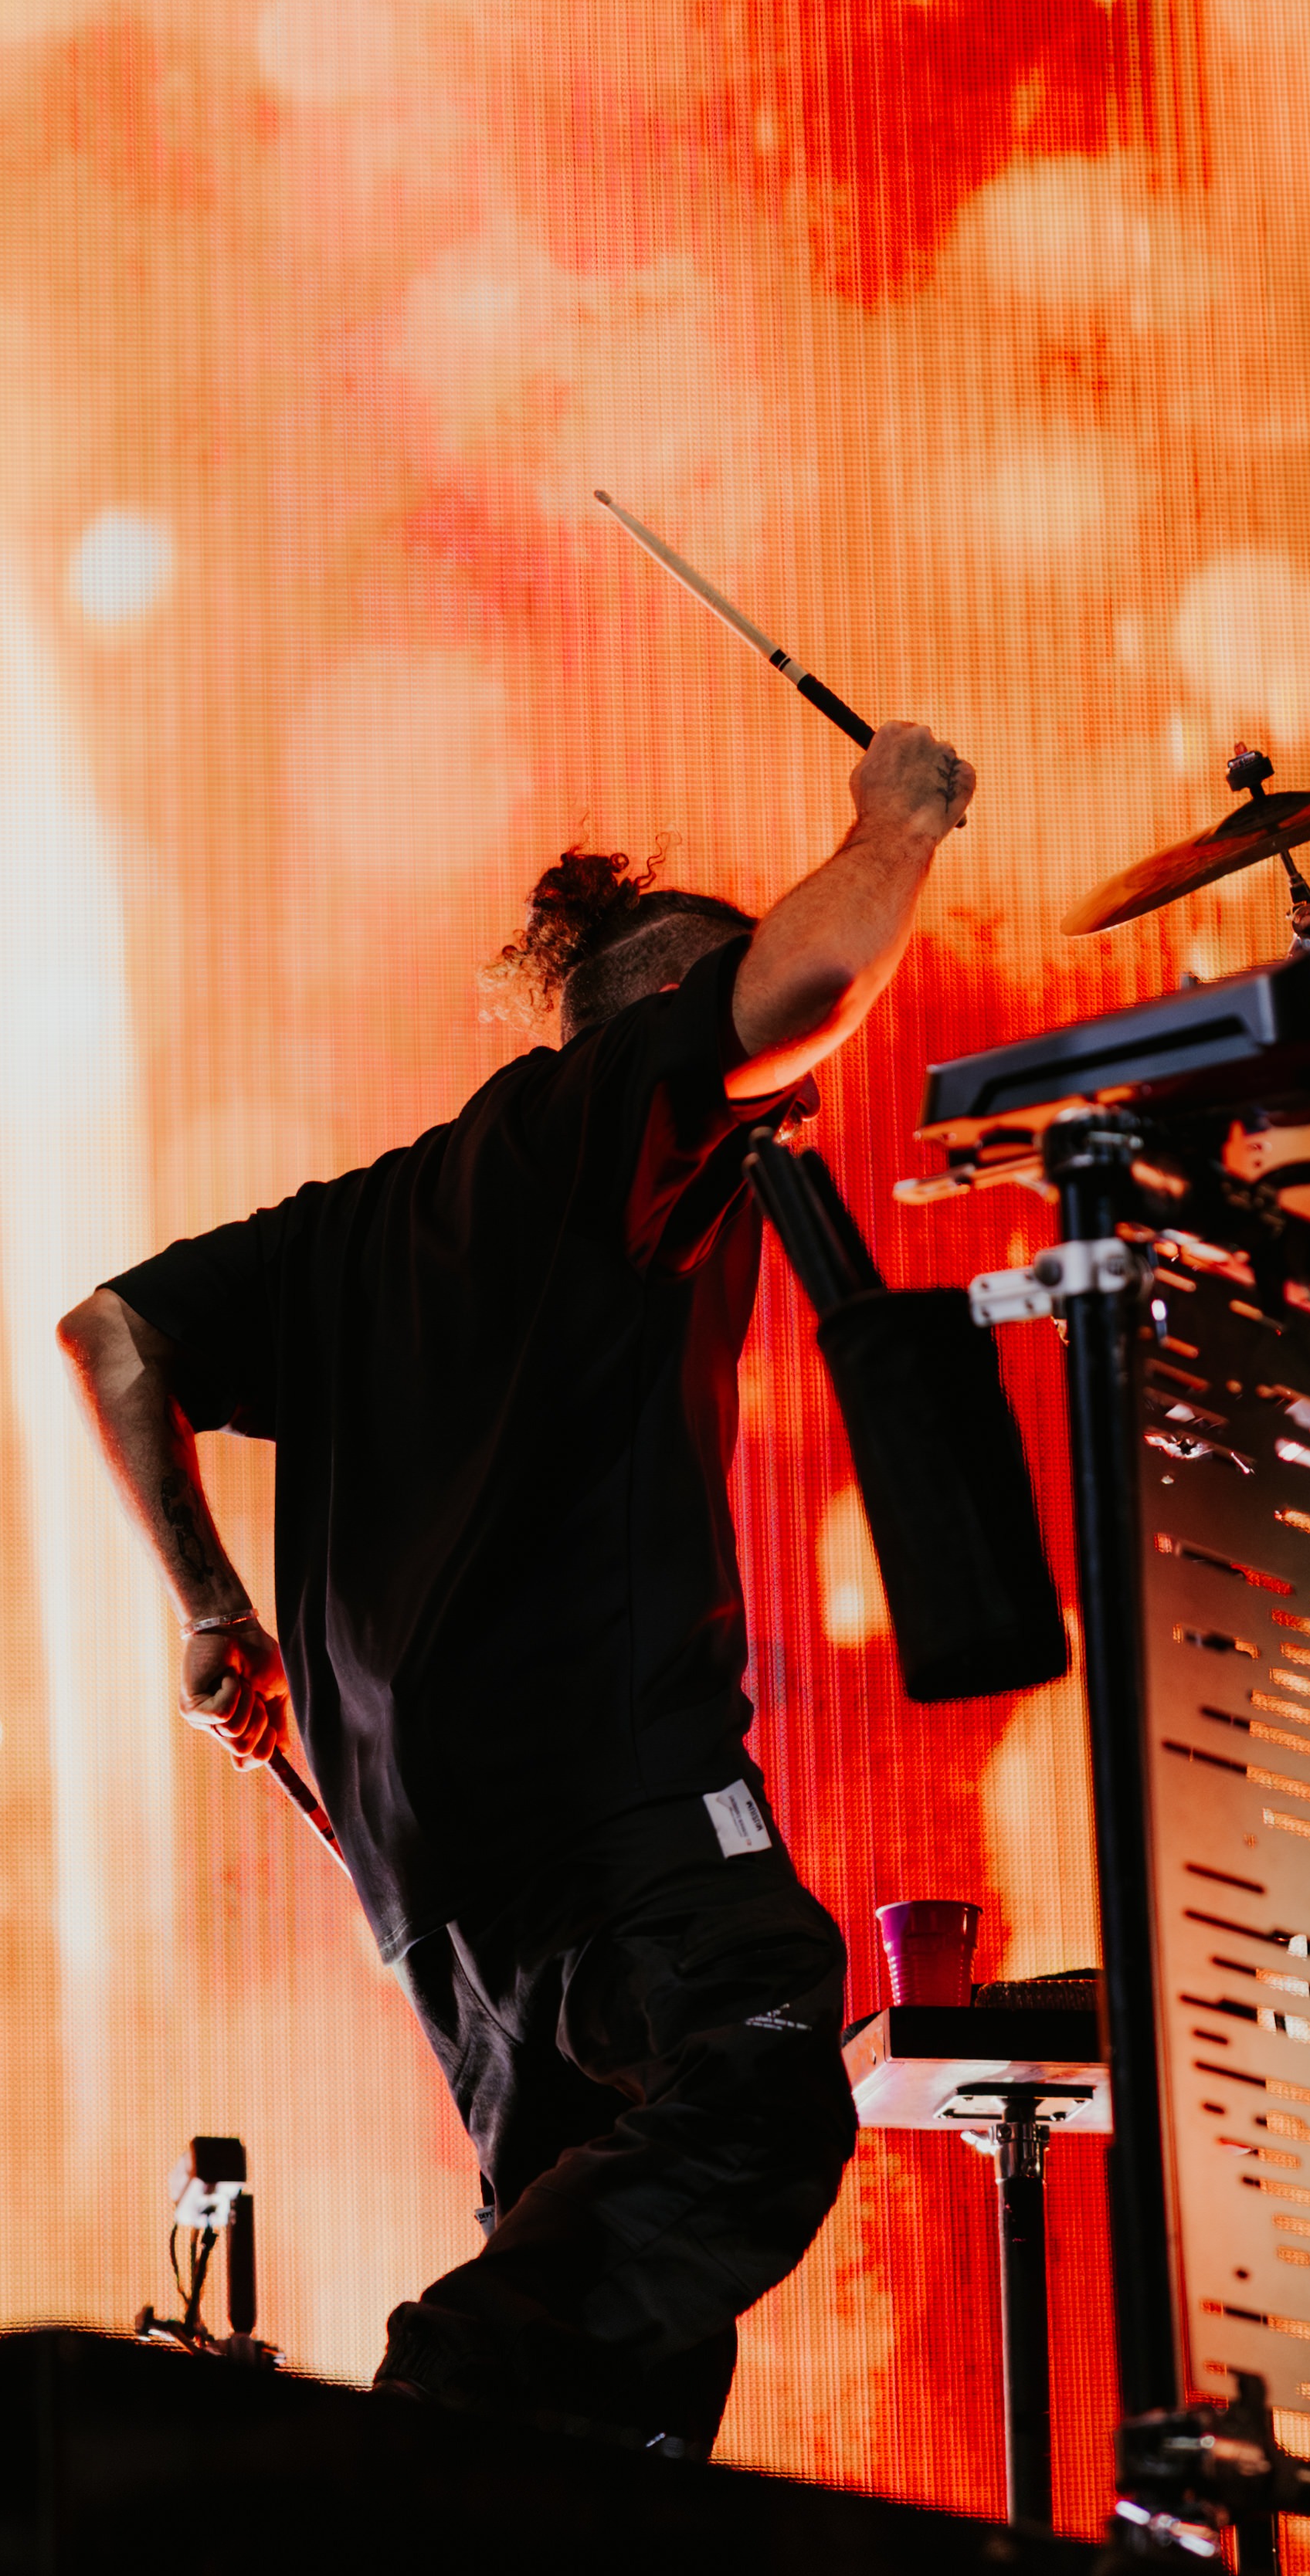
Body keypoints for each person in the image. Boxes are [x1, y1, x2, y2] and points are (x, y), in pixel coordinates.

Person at [58, 717, 976, 2455]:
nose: (794, 1102)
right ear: (669, 1021)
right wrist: (898, 822)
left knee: (608, 2306)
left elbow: (113, 1337)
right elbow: (806, 982)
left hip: (437, 1883)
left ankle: (515, 2555)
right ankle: (436, 2409)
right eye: (755, 1070)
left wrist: (214, 1611)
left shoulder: (355, 1228)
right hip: (601, 1802)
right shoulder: (601, 1118)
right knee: (760, 2075)